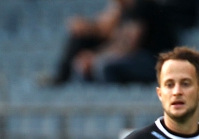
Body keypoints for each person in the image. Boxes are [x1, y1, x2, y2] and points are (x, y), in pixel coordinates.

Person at [50, 0, 179, 85]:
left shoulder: (142, 6)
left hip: (156, 60)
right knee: (83, 55)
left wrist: (95, 57)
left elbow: (128, 44)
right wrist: (87, 27)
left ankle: (117, 101)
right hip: (138, 57)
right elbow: (104, 29)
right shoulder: (124, 10)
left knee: (104, 66)